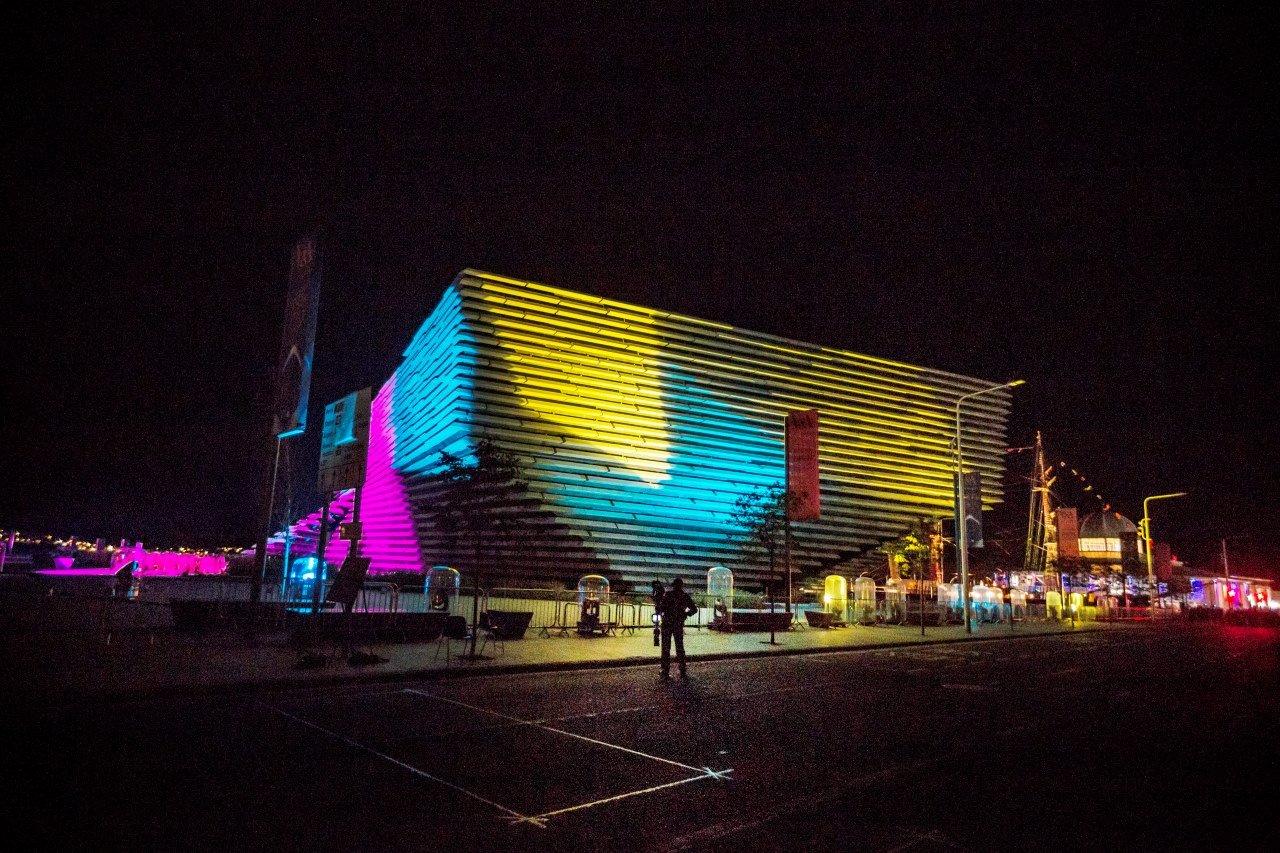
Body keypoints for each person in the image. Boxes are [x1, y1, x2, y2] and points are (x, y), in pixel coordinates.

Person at [657, 576, 697, 680]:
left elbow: (660, 608)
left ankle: (665, 671)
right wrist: (686, 614)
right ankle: (682, 669)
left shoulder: (668, 595)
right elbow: (694, 609)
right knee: (680, 647)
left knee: (665, 648)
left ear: (673, 586)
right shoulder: (685, 596)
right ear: (681, 586)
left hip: (666, 624)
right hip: (678, 624)